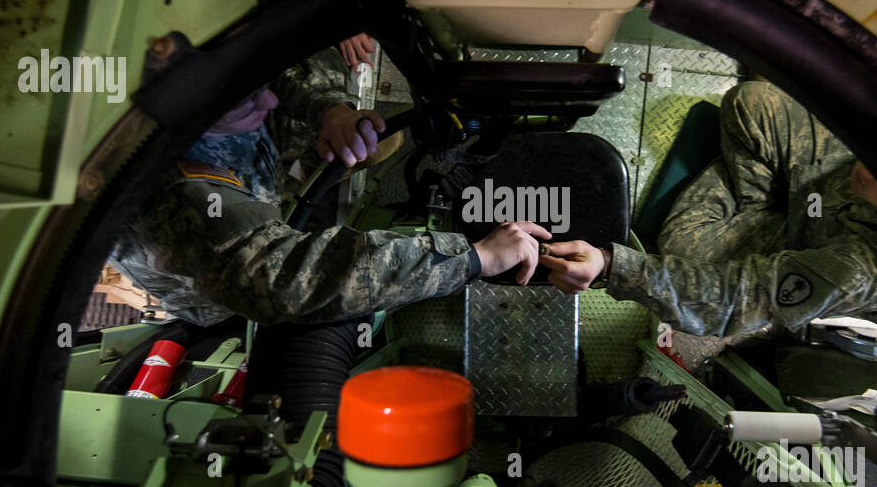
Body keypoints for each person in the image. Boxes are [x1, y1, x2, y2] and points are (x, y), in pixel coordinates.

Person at [109, 32, 549, 326]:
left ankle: (308, 163)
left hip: (246, 170)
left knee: (331, 95)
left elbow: (270, 72)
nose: (268, 100)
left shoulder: (188, 75)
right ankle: (303, 174)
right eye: (245, 105)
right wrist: (474, 259)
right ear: (186, 121)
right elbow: (285, 283)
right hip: (228, 290)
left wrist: (332, 110)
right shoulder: (172, 200)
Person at [540, 80, 877, 344]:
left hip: (817, 247)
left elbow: (738, 300)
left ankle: (758, 218)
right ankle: (757, 205)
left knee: (683, 250)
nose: (866, 167)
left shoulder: (872, 273)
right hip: (820, 189)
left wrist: (613, 266)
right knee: (753, 102)